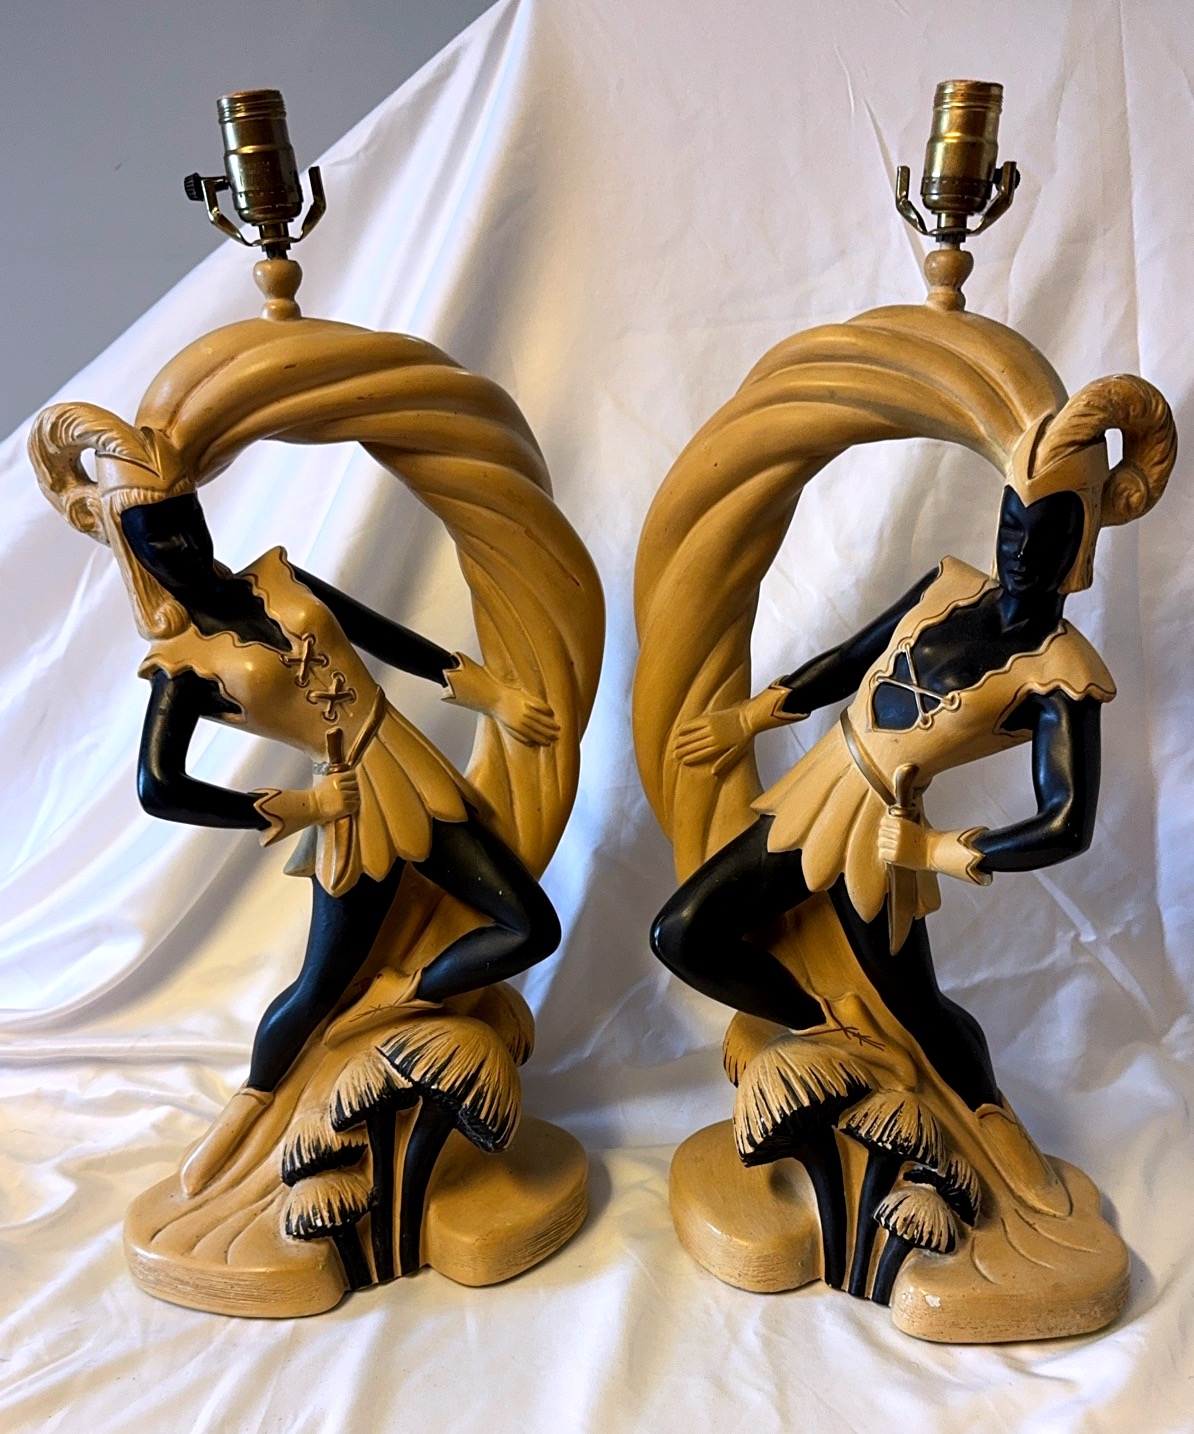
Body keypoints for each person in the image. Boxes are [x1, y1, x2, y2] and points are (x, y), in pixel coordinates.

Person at [29, 325, 581, 1193]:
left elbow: (380, 634)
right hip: (350, 805)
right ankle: (251, 1104)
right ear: (133, 553)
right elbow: (158, 788)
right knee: (316, 985)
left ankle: (396, 1002)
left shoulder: (278, 579)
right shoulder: (182, 666)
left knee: (528, 927)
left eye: (188, 524)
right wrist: (286, 808)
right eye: (159, 538)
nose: (184, 546)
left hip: (411, 766)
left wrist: (486, 690)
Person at [650, 377, 1175, 1115]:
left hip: (883, 835)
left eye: (1048, 531)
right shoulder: (948, 586)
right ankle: (834, 1036)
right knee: (682, 935)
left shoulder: (1062, 673)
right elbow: (849, 658)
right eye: (1013, 525)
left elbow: (1066, 823)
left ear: (1082, 537)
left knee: (922, 1013)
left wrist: (939, 851)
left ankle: (989, 1126)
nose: (1021, 551)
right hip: (817, 788)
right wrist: (749, 719)